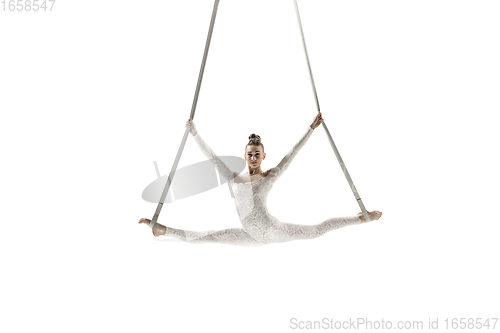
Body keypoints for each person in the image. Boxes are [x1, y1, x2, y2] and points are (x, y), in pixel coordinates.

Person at [139, 112, 382, 246]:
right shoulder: (234, 179)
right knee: (206, 237)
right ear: (244, 156)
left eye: (257, 154)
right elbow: (212, 157)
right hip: (249, 236)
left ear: (263, 156)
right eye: (250, 154)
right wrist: (195, 133)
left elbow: (291, 155)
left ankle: (361, 218)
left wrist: (310, 128)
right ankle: (162, 229)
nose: (253, 157)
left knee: (316, 231)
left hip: (273, 230)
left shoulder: (269, 176)